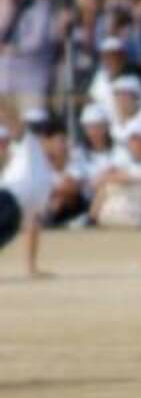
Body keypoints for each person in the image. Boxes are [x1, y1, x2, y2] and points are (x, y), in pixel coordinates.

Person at [0, 105, 53, 278]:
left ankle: (31, 267)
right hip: (9, 198)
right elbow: (11, 120)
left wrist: (31, 267)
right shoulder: (27, 141)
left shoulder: (44, 167)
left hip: (16, 210)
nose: (39, 131)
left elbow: (33, 225)